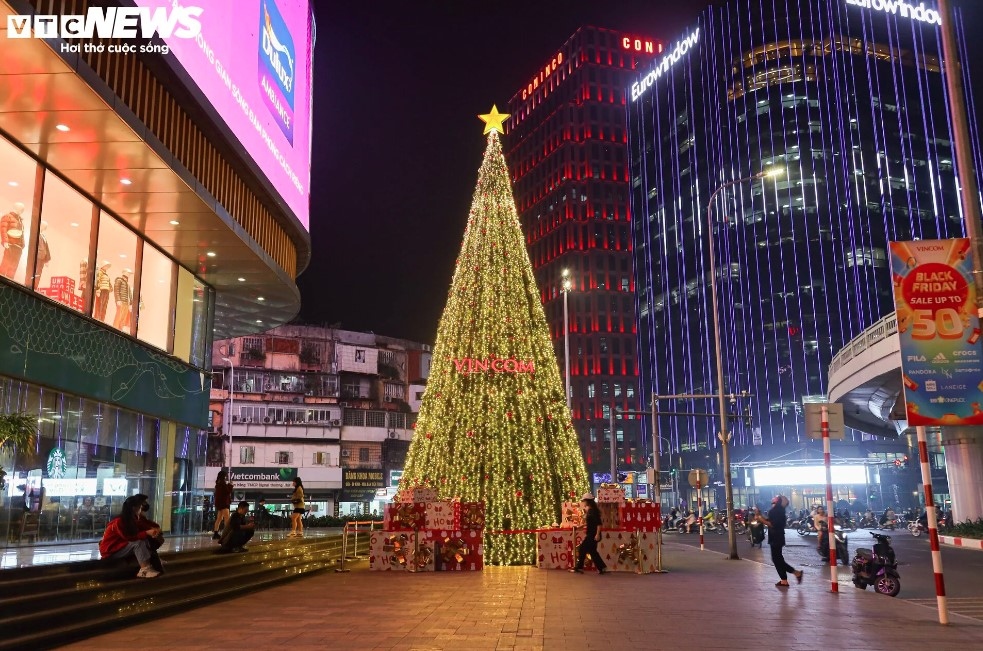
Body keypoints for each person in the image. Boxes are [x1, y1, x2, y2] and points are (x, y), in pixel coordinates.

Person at [99, 495, 163, 579]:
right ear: (134, 508)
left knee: (145, 540)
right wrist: (147, 532)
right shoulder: (119, 521)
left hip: (120, 546)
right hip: (111, 550)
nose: (142, 508)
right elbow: (129, 537)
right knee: (138, 543)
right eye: (140, 506)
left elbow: (145, 526)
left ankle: (150, 562)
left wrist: (153, 530)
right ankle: (144, 570)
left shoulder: (132, 519)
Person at [760, 494, 802, 587]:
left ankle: (796, 573)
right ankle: (784, 580)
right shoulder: (780, 511)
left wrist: (761, 519)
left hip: (775, 537)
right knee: (778, 559)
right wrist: (760, 517)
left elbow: (772, 524)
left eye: (773, 502)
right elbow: (771, 521)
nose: (772, 504)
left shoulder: (775, 511)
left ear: (776, 502)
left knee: (777, 560)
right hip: (778, 537)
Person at [571, 493, 608, 574]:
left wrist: (597, 534)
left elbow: (598, 524)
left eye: (584, 501)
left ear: (588, 501)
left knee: (582, 549)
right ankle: (602, 568)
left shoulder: (593, 511)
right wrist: (581, 526)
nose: (583, 502)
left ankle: (579, 567)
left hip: (592, 535)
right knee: (592, 551)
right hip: (592, 534)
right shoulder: (591, 510)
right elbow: (590, 523)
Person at [135, 494, 166, 573]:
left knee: (158, 538)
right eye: (144, 502)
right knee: (153, 539)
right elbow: (140, 525)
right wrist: (151, 529)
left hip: (141, 535)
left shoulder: (141, 515)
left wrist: (155, 528)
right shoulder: (134, 515)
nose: (146, 504)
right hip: (137, 537)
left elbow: (147, 522)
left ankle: (153, 557)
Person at [212, 470, 233, 540]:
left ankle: (215, 533)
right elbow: (227, 492)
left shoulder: (218, 483)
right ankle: (227, 533)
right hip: (224, 503)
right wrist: (230, 485)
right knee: (227, 518)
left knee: (219, 518)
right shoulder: (223, 483)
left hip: (219, 503)